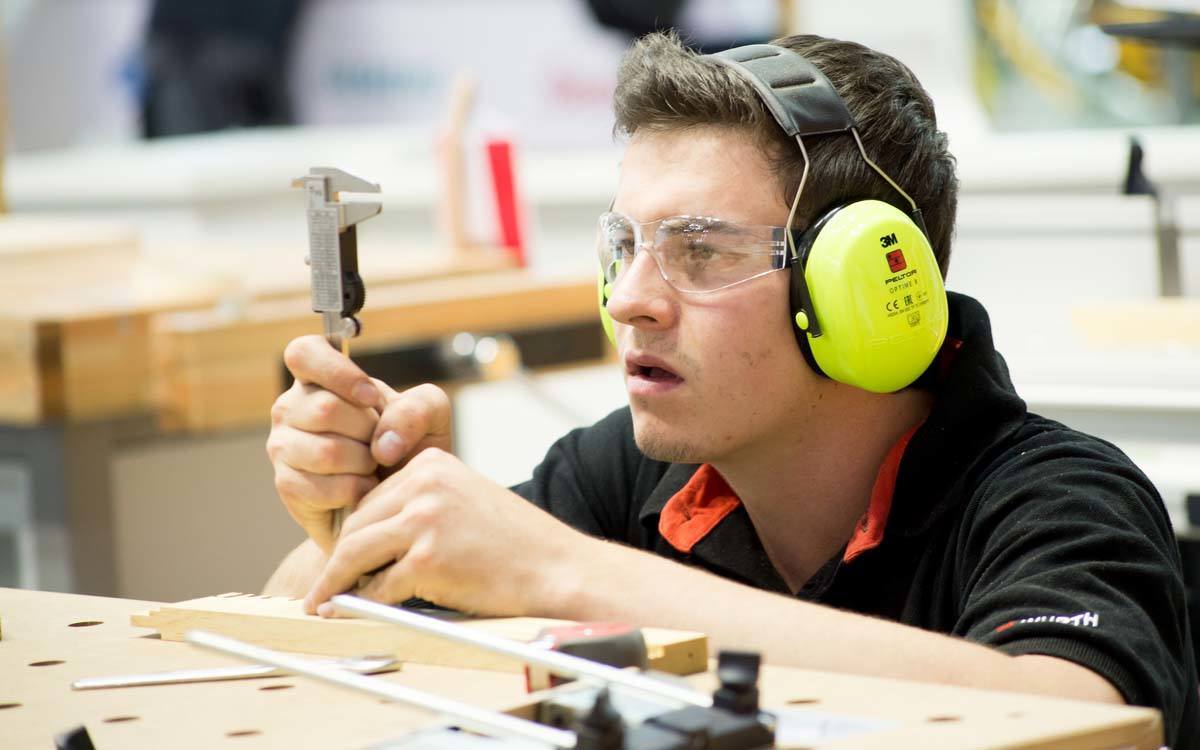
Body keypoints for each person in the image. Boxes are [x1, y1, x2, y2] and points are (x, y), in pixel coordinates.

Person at [264, 32, 1199, 746]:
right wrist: (360, 520)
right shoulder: (624, 473)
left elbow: (1082, 713)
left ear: (863, 291)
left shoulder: (1057, 497)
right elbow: (289, 627)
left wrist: (568, 575)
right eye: (624, 247)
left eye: (700, 250)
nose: (627, 300)